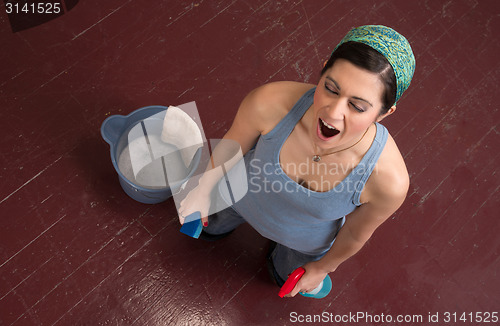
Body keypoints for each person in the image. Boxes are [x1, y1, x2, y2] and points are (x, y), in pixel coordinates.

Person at [178, 25, 416, 298]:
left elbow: (354, 235)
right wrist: (204, 188)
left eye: (358, 106)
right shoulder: (270, 102)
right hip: (237, 196)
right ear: (324, 69)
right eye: (330, 88)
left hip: (303, 243)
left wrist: (323, 268)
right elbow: (233, 146)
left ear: (384, 114)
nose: (333, 112)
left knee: (282, 276)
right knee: (210, 229)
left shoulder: (388, 181)